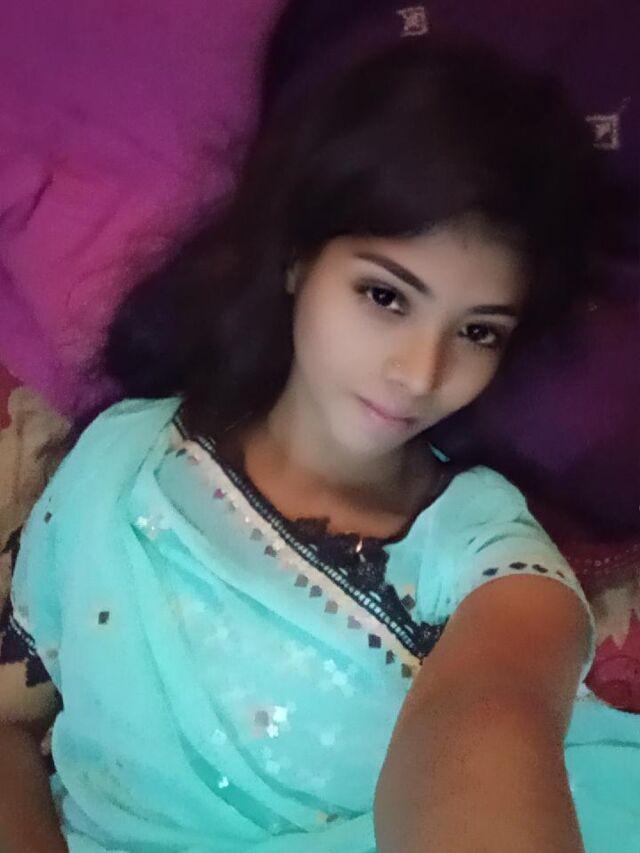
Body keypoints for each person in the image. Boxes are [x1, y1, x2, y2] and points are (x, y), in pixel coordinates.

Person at [0, 39, 637, 853]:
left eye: (477, 331)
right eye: (386, 296)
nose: (421, 372)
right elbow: (9, 724)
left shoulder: (485, 552)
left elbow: (492, 714)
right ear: (298, 256)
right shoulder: (126, 461)